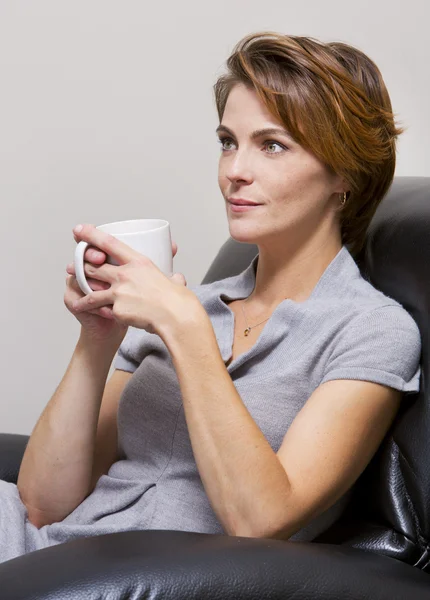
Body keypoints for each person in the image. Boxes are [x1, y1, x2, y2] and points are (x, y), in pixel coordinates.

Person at [0, 31, 421, 565]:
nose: (233, 171)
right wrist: (98, 340)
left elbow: (260, 521)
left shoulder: (372, 332)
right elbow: (39, 506)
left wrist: (186, 332)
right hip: (38, 552)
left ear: (344, 174)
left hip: (125, 576)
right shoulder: (188, 304)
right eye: (228, 141)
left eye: (272, 145)